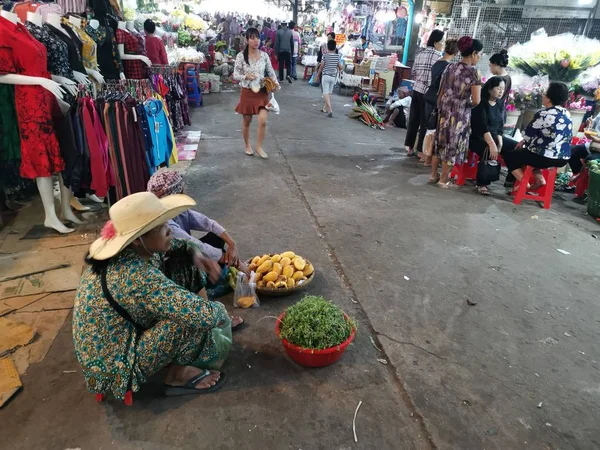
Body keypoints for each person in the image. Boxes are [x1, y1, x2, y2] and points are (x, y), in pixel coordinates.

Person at [73, 192, 235, 399]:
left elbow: (182, 245)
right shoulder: (134, 275)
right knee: (189, 317)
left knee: (184, 261)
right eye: (161, 227)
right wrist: (220, 317)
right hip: (115, 364)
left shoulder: (140, 251)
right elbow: (199, 313)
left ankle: (201, 341)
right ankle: (177, 375)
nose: (170, 230)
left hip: (129, 329)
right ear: (137, 240)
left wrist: (196, 254)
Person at [147, 170, 242, 268]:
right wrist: (228, 259)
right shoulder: (166, 224)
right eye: (183, 189)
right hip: (173, 263)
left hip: (188, 250)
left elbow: (206, 222)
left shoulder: (178, 210)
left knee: (216, 236)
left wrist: (232, 244)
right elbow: (195, 245)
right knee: (212, 259)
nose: (185, 190)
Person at [430, 36, 483, 187]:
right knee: (452, 145)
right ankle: (443, 180)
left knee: (439, 143)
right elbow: (477, 100)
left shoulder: (450, 67)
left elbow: (440, 92)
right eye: (479, 54)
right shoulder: (474, 73)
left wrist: (442, 106)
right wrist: (465, 105)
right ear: (473, 53)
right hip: (459, 115)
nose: (479, 58)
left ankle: (433, 175)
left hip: (444, 111)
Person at [503, 82, 573, 190]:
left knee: (510, 156)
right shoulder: (566, 113)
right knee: (531, 154)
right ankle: (540, 179)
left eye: (545, 94)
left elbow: (527, 135)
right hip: (562, 158)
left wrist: (524, 141)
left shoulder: (544, 114)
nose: (543, 96)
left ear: (549, 99)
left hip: (544, 157)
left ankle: (524, 184)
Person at [233, 27, 279, 159]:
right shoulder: (241, 56)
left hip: (262, 91)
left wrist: (276, 85)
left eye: (257, 37)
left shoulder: (264, 55)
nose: (256, 40)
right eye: (252, 38)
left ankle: (259, 147)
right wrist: (246, 76)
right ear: (247, 40)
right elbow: (235, 74)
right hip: (247, 92)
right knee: (247, 121)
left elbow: (271, 72)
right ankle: (247, 145)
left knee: (263, 120)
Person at [469, 77, 518, 195]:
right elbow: (482, 126)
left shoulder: (500, 104)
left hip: (495, 136)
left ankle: (511, 180)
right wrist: (492, 144)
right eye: (498, 88)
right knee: (487, 149)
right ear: (490, 90)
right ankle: (482, 183)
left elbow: (500, 126)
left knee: (516, 147)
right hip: (478, 137)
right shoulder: (481, 103)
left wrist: (499, 142)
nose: (501, 91)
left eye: (503, 89)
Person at [404, 29, 445, 157]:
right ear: (436, 42)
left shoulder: (419, 54)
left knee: (413, 120)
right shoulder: (439, 58)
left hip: (416, 90)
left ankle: (409, 147)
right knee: (425, 122)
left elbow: (414, 72)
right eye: (442, 42)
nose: (443, 45)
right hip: (429, 94)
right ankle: (420, 150)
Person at [422, 38, 459, 165]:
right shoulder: (450, 67)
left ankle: (425, 157)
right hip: (439, 100)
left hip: (429, 97)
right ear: (456, 52)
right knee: (436, 131)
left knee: (430, 128)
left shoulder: (437, 63)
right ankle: (428, 158)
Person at [317, 39, 343, 118]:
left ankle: (330, 110)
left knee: (325, 93)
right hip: (333, 77)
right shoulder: (338, 56)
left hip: (325, 76)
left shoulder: (325, 56)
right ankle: (325, 108)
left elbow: (321, 66)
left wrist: (317, 75)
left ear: (327, 47)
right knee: (328, 93)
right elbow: (340, 67)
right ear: (335, 48)